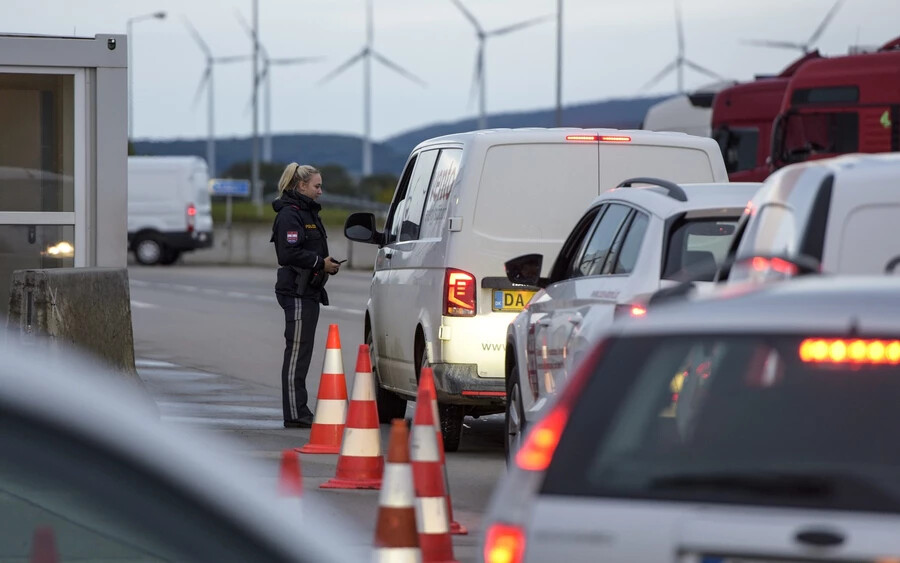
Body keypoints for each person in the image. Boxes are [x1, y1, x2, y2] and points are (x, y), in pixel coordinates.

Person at [271, 163, 341, 428]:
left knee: (303, 351)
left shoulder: (308, 212)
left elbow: (307, 250)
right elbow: (287, 254)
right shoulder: (291, 213)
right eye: (316, 185)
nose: (320, 191)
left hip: (309, 290)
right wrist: (319, 263)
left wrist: (325, 264)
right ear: (301, 186)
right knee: (297, 352)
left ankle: (299, 409)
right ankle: (295, 413)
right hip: (297, 291)